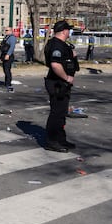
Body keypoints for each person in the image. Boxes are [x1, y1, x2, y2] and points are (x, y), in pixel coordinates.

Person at [43, 20, 80, 152]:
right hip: (57, 83)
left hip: (61, 84)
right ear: (64, 31)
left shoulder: (61, 45)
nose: (69, 32)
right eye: (68, 30)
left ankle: (60, 139)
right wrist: (67, 77)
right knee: (56, 113)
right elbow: (55, 65)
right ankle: (52, 141)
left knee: (61, 113)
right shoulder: (56, 45)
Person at [0, 26, 17, 92]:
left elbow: (12, 47)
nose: (6, 31)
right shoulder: (6, 37)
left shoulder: (12, 37)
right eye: (5, 30)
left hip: (8, 55)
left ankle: (8, 83)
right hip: (4, 54)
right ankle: (6, 82)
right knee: (5, 69)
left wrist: (8, 55)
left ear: (11, 31)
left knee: (7, 69)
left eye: (7, 30)